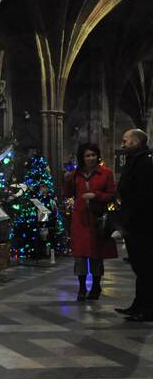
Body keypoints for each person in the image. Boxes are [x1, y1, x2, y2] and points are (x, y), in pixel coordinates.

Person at [64, 143, 116, 301]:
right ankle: (81, 287)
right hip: (80, 219)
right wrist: (66, 180)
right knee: (80, 256)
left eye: (93, 155)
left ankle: (95, 286)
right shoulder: (75, 175)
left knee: (96, 254)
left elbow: (111, 194)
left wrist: (96, 196)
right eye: (87, 155)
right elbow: (67, 194)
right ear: (82, 158)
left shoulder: (106, 173)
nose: (91, 158)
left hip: (97, 218)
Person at [115, 129, 153, 321]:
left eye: (125, 141)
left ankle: (147, 309)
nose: (122, 145)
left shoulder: (145, 162)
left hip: (142, 223)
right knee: (140, 267)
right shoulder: (135, 160)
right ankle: (138, 305)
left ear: (136, 142)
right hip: (134, 222)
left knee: (145, 267)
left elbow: (143, 194)